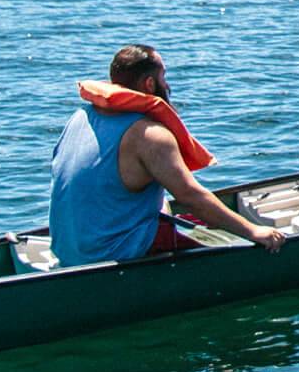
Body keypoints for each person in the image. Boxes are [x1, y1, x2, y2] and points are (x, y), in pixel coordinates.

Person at [48, 44, 284, 266]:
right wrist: (254, 231)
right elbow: (191, 197)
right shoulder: (149, 135)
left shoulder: (82, 116)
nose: (167, 85)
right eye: (164, 77)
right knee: (221, 242)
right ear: (150, 84)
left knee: (171, 212)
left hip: (68, 249)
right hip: (112, 252)